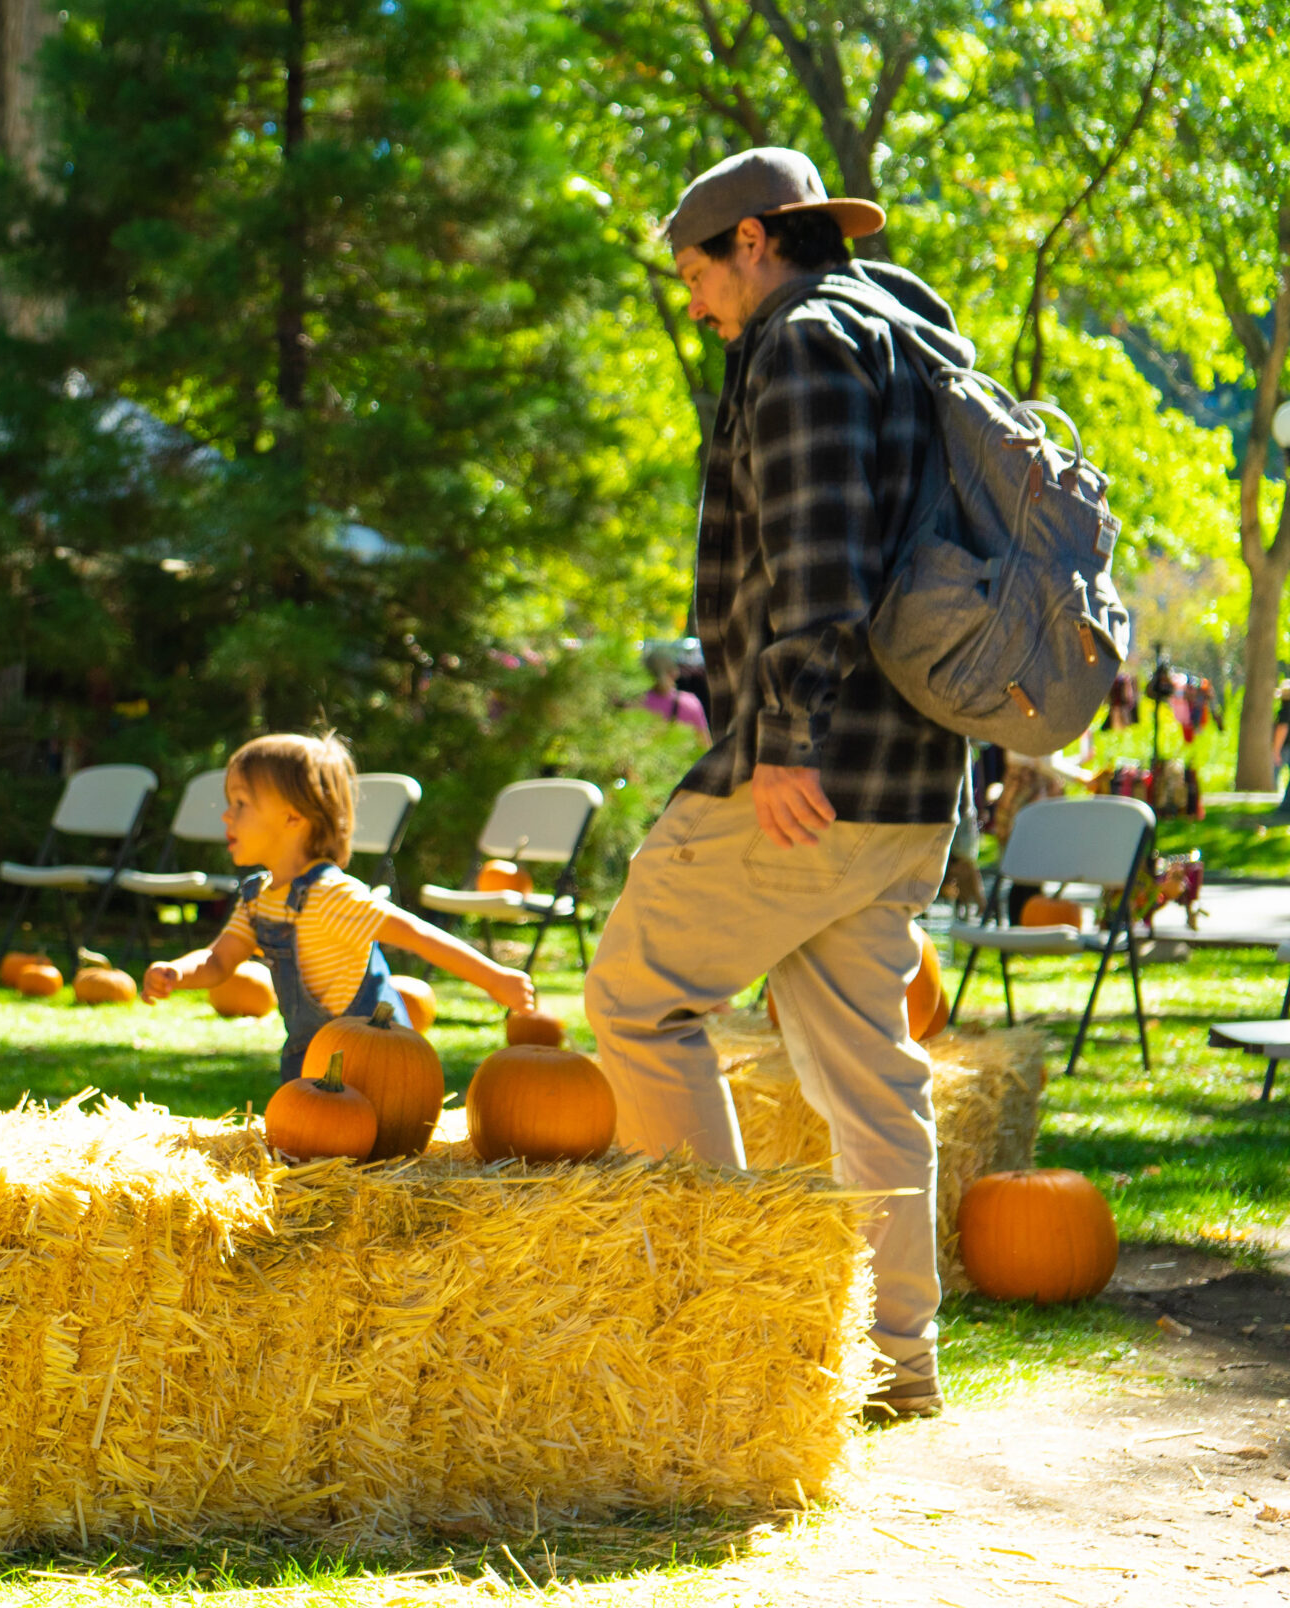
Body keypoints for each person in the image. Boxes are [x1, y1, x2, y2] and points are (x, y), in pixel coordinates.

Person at [582, 147, 975, 1421]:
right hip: (915, 776)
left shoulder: (802, 342)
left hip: (819, 768)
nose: (694, 303)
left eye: (695, 272)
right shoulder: (913, 338)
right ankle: (895, 1362)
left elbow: (818, 554)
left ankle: (728, 1324)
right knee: (870, 1075)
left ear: (753, 241)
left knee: (636, 999)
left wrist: (786, 737)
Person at [144, 732, 535, 1079]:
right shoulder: (257, 897)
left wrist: (495, 978)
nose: (227, 814)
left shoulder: (332, 894)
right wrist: (177, 972)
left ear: (293, 816)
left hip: (378, 1064)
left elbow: (417, 934)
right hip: (308, 1058)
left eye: (241, 803)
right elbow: (219, 961)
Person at [637, 641, 710, 741]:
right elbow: (704, 745)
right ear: (674, 672)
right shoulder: (690, 703)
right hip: (684, 756)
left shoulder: (636, 703)